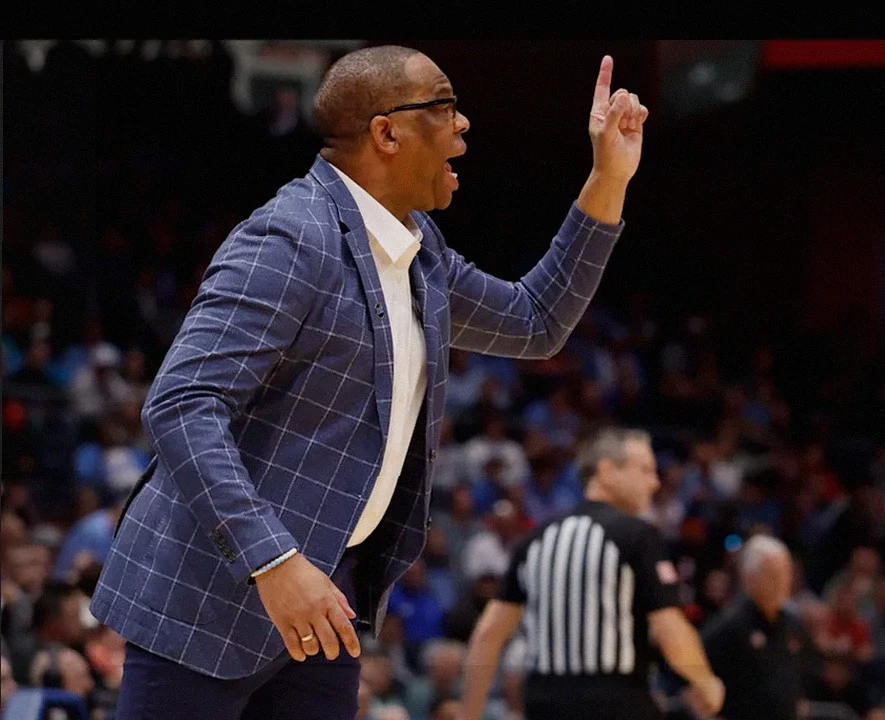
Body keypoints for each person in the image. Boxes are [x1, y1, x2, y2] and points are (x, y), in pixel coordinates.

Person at [91, 46, 649, 720]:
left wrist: (608, 177)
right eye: (444, 106)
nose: (464, 123)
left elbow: (537, 322)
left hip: (325, 600)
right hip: (209, 596)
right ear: (386, 132)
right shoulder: (290, 238)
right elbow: (182, 404)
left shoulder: (420, 250)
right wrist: (273, 560)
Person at [461, 427, 725, 720]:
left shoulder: (535, 540)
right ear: (607, 471)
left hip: (544, 703)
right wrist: (705, 681)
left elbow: (487, 636)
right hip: (615, 702)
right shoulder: (637, 535)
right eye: (644, 470)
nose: (654, 482)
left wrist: (469, 713)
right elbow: (669, 628)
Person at [700, 534, 819, 720]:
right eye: (771, 574)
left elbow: (808, 671)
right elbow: (696, 672)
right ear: (749, 577)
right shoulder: (729, 626)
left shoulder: (794, 626)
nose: (780, 581)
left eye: (784, 573)